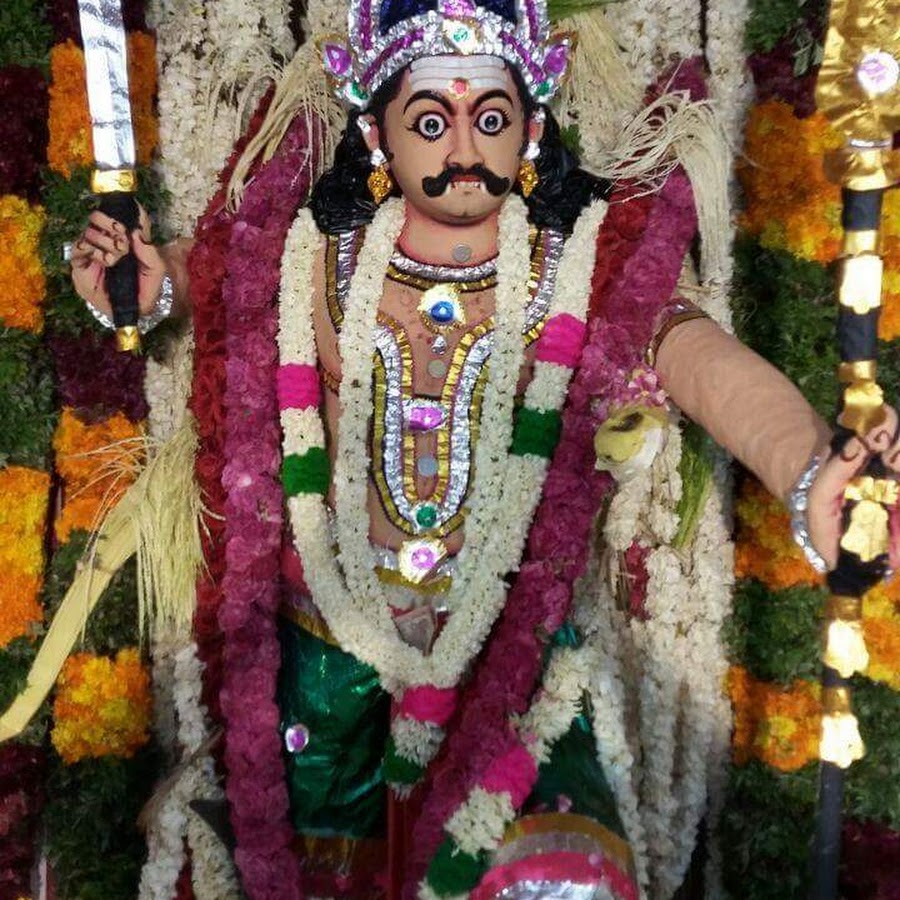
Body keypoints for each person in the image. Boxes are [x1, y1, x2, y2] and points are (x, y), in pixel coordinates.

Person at [68, 0, 900, 895]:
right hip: (321, 665)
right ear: (376, 135)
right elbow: (199, 281)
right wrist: (144, 288)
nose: (464, 147)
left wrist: (808, 468)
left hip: (509, 672)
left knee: (561, 882)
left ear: (531, 132)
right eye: (432, 121)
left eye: (491, 118)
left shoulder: (579, 269)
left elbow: (700, 361)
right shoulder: (308, 255)